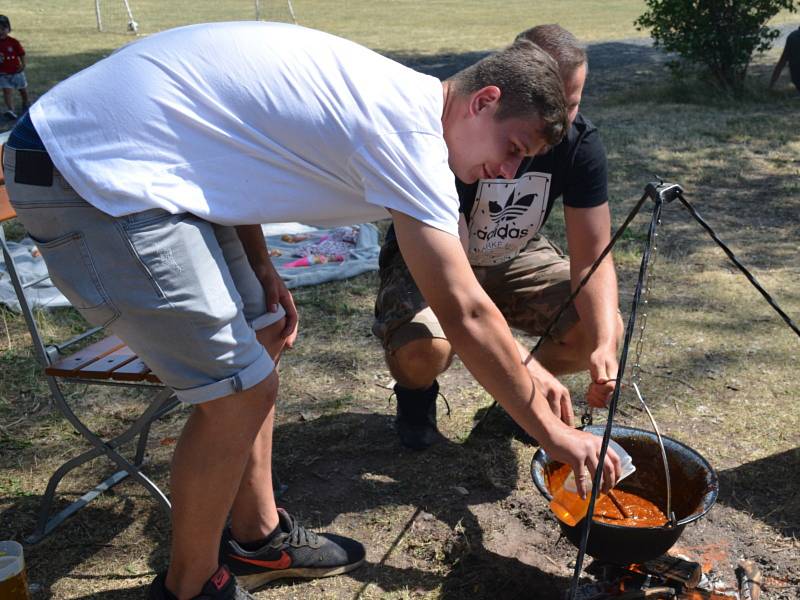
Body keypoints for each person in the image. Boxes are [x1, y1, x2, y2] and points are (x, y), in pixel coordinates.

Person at [3, 21, 621, 600]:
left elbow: (225, 138)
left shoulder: (404, 98)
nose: (508, 171)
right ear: (484, 100)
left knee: (263, 334)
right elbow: (465, 310)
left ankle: (257, 540)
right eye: (512, 148)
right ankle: (191, 587)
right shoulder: (409, 139)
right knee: (235, 392)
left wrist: (260, 261)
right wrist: (555, 435)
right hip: (89, 171)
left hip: (150, 160)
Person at [373, 24, 623, 450]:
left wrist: (602, 344)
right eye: (548, 107)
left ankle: (519, 402)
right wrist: (520, 367)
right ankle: (418, 398)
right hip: (437, 255)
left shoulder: (581, 147)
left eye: (571, 106)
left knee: (600, 323)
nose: (557, 125)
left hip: (513, 253)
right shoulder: (460, 134)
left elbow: (593, 257)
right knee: (424, 349)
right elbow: (464, 301)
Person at [0, 15, 29, 120]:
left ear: (8, 29)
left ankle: (26, 103)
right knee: (7, 91)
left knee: (22, 89)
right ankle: (11, 110)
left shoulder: (13, 42)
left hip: (16, 71)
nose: (1, 31)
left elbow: (21, 54)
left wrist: (23, 64)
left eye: (3, 29)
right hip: (3, 74)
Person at [769, 25, 800, 93]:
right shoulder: (793, 37)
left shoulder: (792, 36)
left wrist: (771, 84)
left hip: (796, 81)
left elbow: (781, 62)